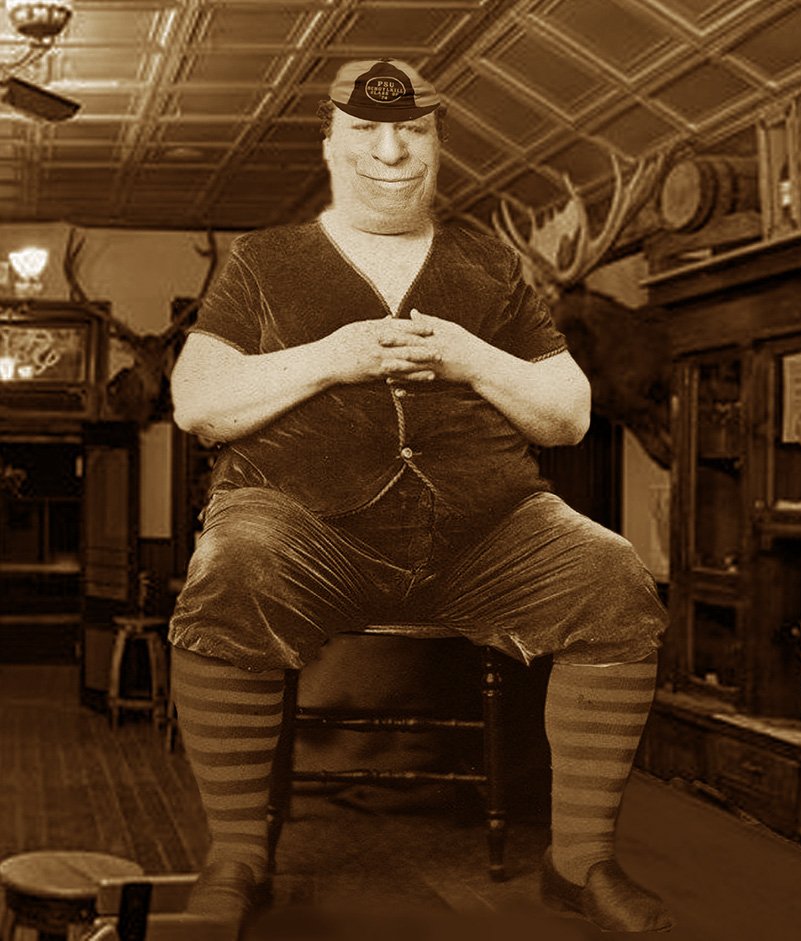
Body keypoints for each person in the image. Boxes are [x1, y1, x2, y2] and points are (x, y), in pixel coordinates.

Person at [167, 57, 673, 934]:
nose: (391, 151)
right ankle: (237, 857)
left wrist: (470, 355)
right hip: (305, 530)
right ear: (330, 145)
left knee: (612, 574)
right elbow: (197, 402)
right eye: (365, 131)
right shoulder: (265, 259)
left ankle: (579, 860)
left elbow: (569, 416)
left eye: (412, 131)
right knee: (232, 562)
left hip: (485, 534)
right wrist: (335, 356)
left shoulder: (492, 265)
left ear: (438, 145)